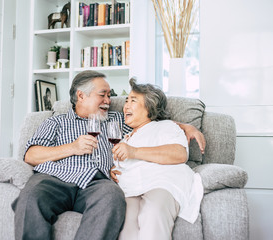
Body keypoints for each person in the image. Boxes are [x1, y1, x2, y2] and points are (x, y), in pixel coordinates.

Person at [12, 70, 205, 240]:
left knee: (112, 197)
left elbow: (149, 119)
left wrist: (186, 126)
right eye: (102, 95)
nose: (108, 100)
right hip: (55, 178)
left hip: (97, 182)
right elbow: (30, 155)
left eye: (109, 95)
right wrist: (72, 147)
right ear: (81, 95)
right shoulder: (55, 122)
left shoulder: (115, 120)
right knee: (30, 197)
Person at [111, 78, 204, 240]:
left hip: (162, 183)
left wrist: (134, 151)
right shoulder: (125, 137)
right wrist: (113, 169)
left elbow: (179, 153)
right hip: (130, 189)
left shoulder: (166, 126)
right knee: (126, 227)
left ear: (149, 107)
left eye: (133, 100)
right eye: (126, 101)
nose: (126, 106)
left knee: (152, 213)